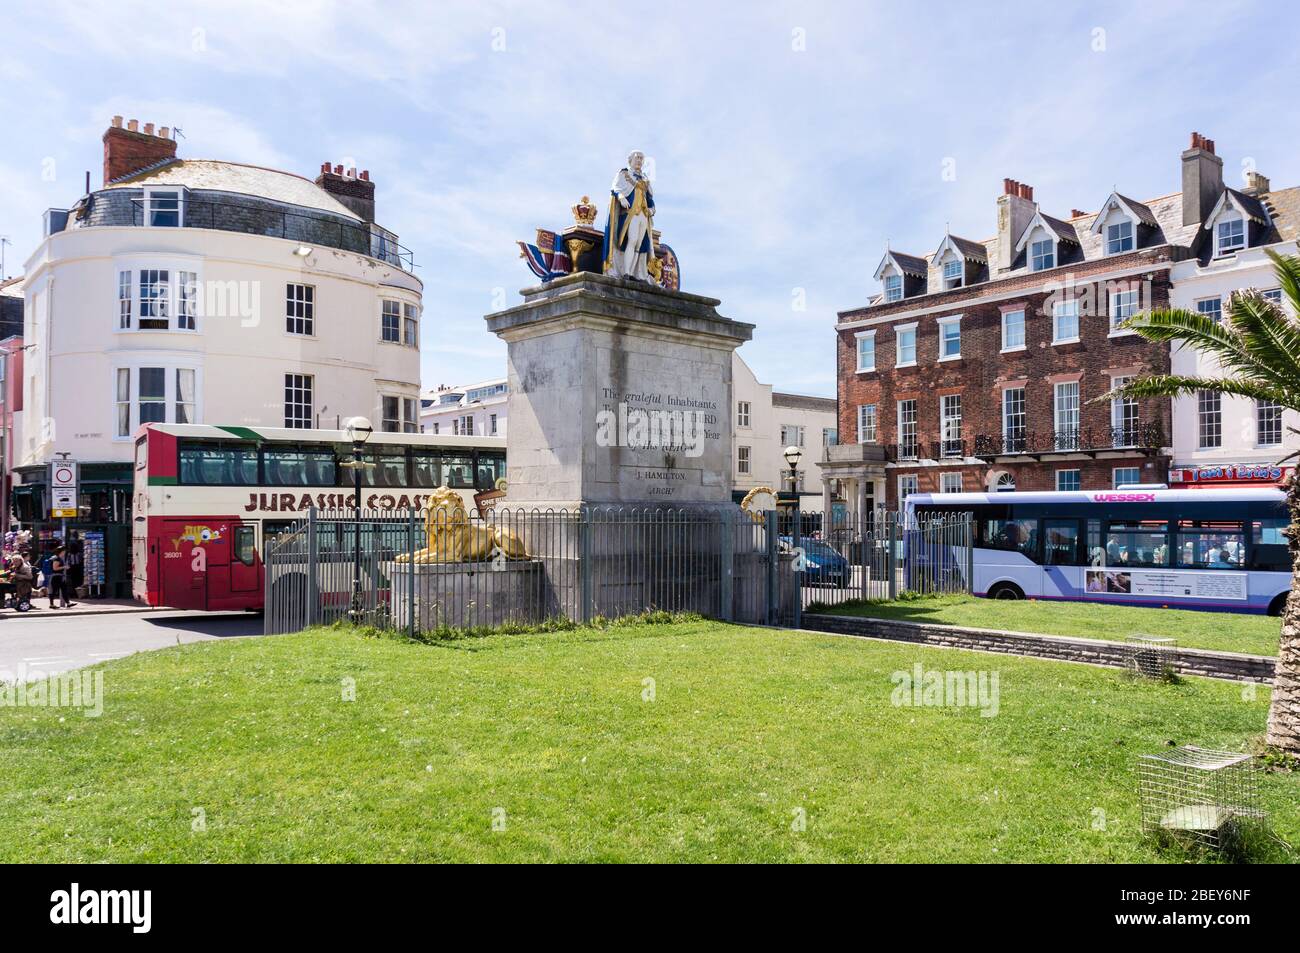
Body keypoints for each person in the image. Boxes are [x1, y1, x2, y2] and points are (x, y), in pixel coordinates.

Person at [602, 150, 656, 281]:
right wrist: (621, 197)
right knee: (632, 240)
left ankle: (633, 273)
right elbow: (616, 188)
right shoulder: (624, 174)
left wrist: (652, 210)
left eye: (641, 158)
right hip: (631, 214)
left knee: (639, 244)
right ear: (630, 160)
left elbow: (650, 199)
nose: (639, 160)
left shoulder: (644, 179)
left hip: (643, 214)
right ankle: (625, 272)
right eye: (637, 157)